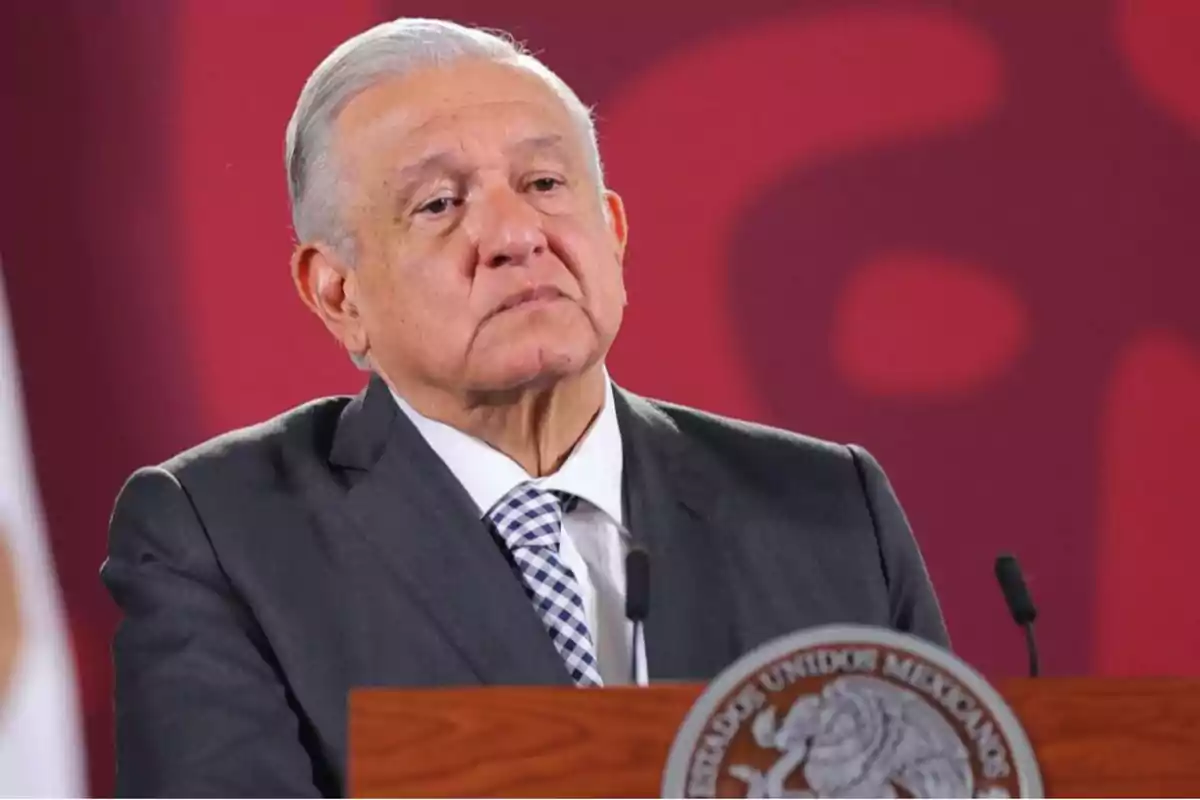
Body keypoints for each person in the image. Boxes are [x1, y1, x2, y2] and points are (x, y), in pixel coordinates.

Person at [101, 17, 949, 797]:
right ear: (337, 292)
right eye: (439, 203)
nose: (515, 234)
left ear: (612, 233)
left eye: (544, 182)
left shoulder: (828, 507)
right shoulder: (222, 539)